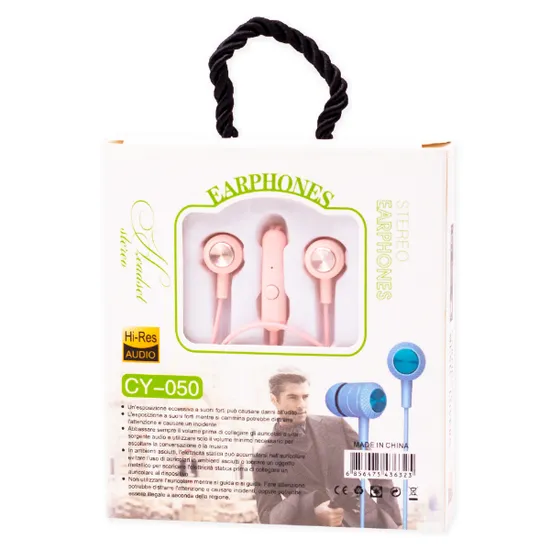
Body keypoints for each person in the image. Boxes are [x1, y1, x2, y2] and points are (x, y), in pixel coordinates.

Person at [252, 369, 402, 528]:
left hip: (373, 524)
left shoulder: (336, 426)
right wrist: (313, 515)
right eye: (293, 397)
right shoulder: (264, 458)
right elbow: (267, 517)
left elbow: (377, 472)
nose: (301, 405)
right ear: (274, 400)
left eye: (305, 397)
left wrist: (394, 521)